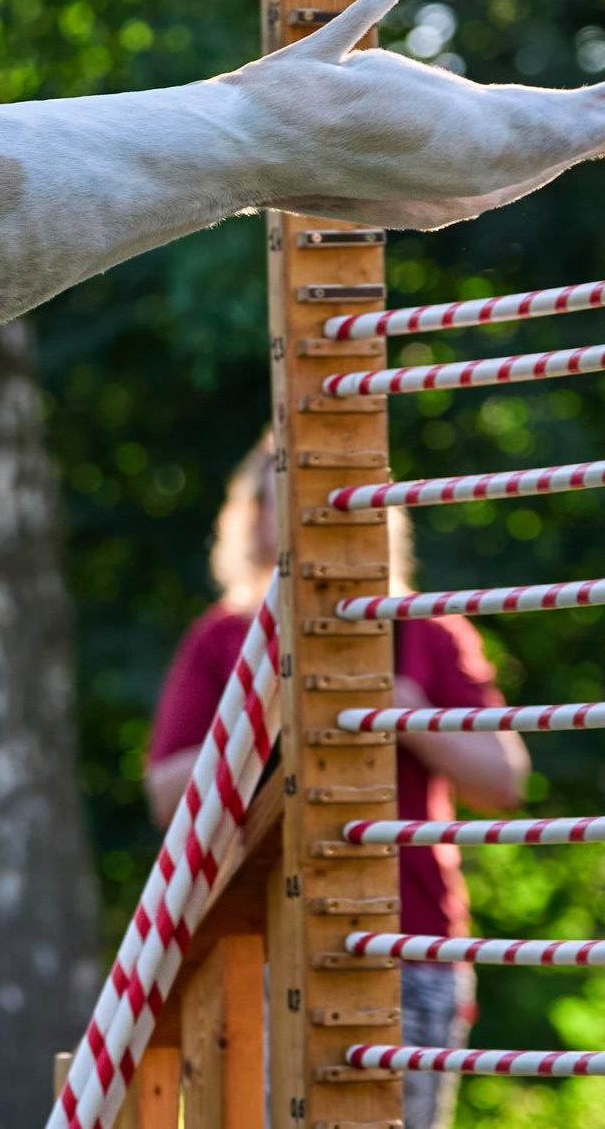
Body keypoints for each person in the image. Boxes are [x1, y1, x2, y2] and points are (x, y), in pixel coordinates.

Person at [146, 440, 528, 1129]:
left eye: (318, 500)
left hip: (410, 943)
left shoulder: (425, 630)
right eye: (279, 498)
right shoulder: (224, 637)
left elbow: (505, 778)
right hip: (260, 945)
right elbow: (166, 792)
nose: (297, 516)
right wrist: (264, 716)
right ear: (253, 517)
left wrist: (411, 715)